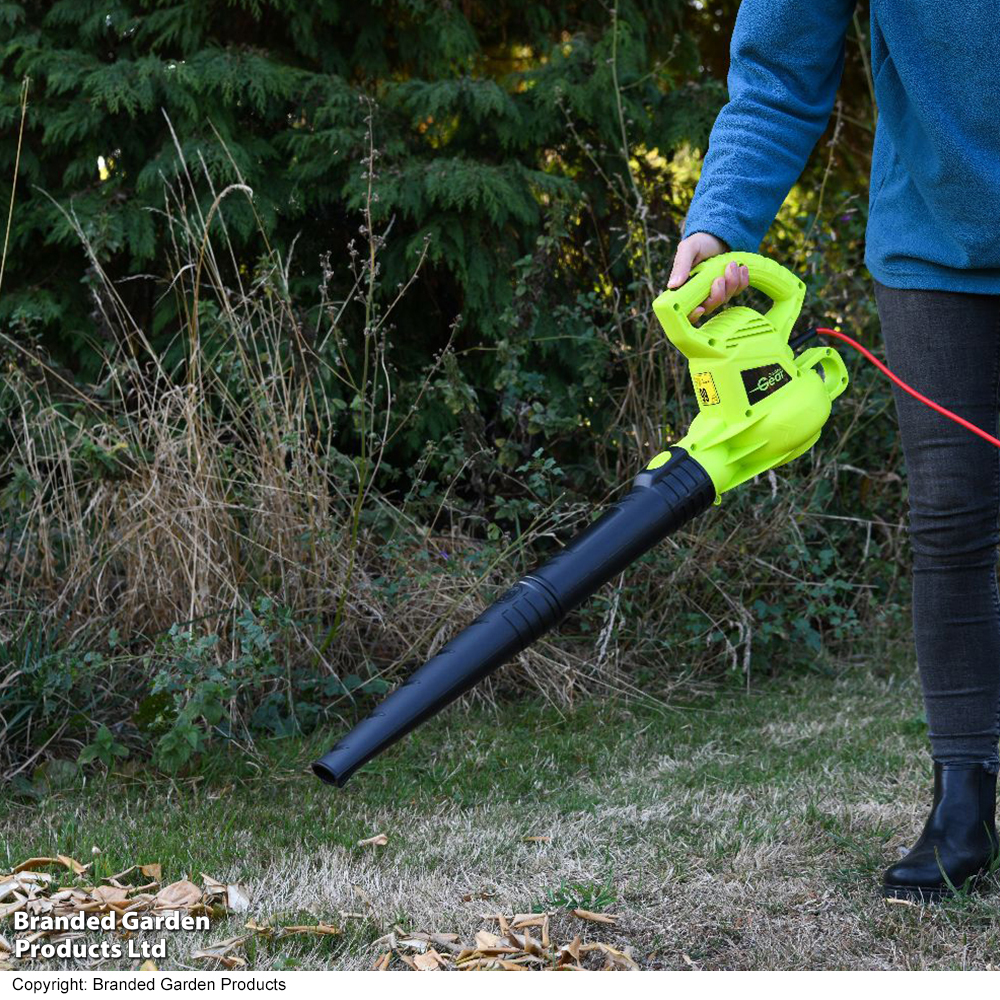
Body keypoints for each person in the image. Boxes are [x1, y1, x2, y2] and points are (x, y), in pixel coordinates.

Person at [669, 0, 1000, 901]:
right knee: (952, 515)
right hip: (938, 245)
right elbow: (778, 75)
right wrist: (720, 223)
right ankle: (963, 799)